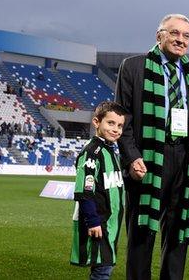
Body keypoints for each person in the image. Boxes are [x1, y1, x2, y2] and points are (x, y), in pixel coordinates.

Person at [115, 13, 189, 280]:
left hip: (183, 158)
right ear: (159, 35)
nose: (180, 39)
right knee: (142, 232)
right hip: (147, 158)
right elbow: (123, 119)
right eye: (174, 33)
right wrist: (132, 157)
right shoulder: (133, 67)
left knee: (178, 232)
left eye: (186, 35)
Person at [70, 101, 128, 280]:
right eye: (110, 123)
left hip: (110, 223)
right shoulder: (92, 153)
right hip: (99, 222)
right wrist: (93, 221)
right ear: (96, 122)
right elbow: (85, 192)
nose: (116, 129)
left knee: (105, 265)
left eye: (119, 125)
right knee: (102, 269)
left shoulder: (111, 151)